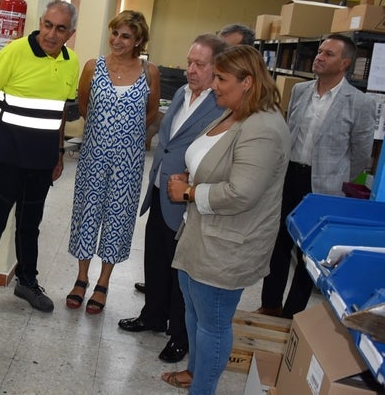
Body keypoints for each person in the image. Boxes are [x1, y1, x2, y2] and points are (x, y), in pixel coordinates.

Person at [162, 45, 290, 393]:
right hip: (201, 235)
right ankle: (195, 373)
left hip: (227, 244)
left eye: (221, 78)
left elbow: (241, 193)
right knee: (194, 313)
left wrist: (188, 193)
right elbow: (216, 160)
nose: (214, 85)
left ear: (247, 81)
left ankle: (203, 389)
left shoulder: (262, 127)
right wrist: (190, 178)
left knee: (213, 323)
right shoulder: (234, 112)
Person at [0, 0, 80, 323]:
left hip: (42, 161)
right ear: (40, 22)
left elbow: (59, 112)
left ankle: (27, 283)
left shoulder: (71, 63)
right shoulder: (14, 51)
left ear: (70, 33)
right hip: (6, 157)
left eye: (60, 29)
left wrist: (58, 154)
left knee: (30, 226)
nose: (51, 34)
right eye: (47, 25)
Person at [118, 34, 226, 363]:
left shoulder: (221, 104)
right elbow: (167, 141)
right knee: (155, 259)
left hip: (186, 196)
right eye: (189, 62)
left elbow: (218, 152)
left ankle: (179, 336)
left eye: (200, 64)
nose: (190, 70)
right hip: (160, 188)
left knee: (181, 270)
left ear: (216, 67)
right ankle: (153, 315)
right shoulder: (180, 93)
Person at [258, 34, 376, 318]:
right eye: (320, 51)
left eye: (328, 54)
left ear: (345, 63)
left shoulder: (359, 103)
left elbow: (361, 154)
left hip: (324, 187)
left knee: (309, 253)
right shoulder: (301, 91)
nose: (319, 57)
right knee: (278, 243)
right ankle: (270, 305)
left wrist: (336, 178)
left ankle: (292, 313)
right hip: (290, 176)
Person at [65, 10, 160, 315]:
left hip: (128, 162)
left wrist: (127, 132)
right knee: (87, 215)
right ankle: (81, 278)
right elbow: (83, 105)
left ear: (138, 41)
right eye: (115, 33)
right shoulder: (94, 67)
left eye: (126, 36)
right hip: (93, 156)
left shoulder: (150, 72)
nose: (118, 41)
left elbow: (151, 112)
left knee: (118, 220)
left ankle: (103, 282)